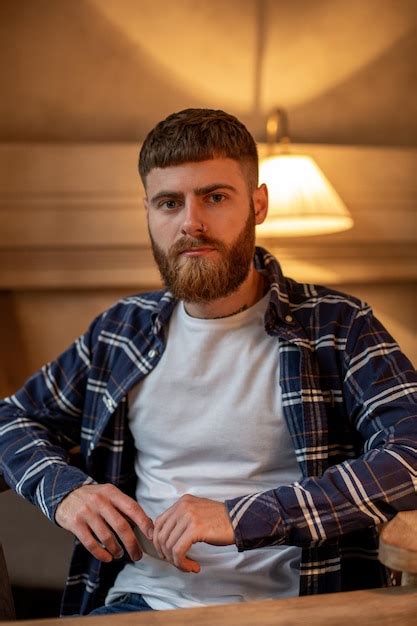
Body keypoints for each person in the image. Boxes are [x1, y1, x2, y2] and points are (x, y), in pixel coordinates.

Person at [0, 109, 416, 617]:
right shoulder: (119, 331)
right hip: (139, 601)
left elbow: (411, 453)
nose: (190, 222)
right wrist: (66, 492)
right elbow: (11, 418)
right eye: (169, 202)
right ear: (148, 212)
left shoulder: (337, 324)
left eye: (215, 197)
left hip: (297, 605)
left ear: (258, 205)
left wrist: (245, 518)